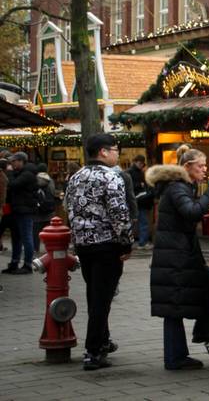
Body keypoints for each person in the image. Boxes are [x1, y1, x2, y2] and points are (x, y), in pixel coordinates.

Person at [148, 148, 209, 370]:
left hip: (178, 254)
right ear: (187, 167)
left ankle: (202, 332)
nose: (204, 170)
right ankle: (176, 357)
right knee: (174, 306)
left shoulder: (179, 187)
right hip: (175, 256)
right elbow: (191, 212)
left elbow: (188, 212)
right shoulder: (178, 187)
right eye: (200, 166)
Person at [64, 134, 134, 370]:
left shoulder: (76, 177)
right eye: (115, 149)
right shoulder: (111, 177)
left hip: (84, 244)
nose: (118, 153)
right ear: (103, 152)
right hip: (107, 245)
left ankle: (102, 340)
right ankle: (93, 351)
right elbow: (119, 213)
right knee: (102, 299)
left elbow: (69, 209)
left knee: (94, 294)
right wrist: (126, 243)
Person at [3, 152, 39, 274]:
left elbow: (13, 185)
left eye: (14, 161)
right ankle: (14, 262)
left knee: (26, 237)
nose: (11, 164)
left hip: (25, 210)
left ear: (21, 161)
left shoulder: (27, 174)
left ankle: (28, 265)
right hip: (17, 210)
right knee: (16, 238)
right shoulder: (19, 173)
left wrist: (9, 173)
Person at [125, 155, 153, 248]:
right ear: (135, 162)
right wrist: (140, 185)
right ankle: (142, 243)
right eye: (140, 163)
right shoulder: (131, 172)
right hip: (138, 200)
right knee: (142, 222)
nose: (141, 165)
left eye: (142, 163)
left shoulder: (135, 172)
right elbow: (129, 187)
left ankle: (130, 242)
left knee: (133, 223)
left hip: (137, 200)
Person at [34, 162, 60, 251]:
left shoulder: (34, 179)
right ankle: (50, 248)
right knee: (49, 231)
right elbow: (53, 192)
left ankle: (35, 248)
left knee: (35, 232)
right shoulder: (50, 180)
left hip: (38, 212)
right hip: (49, 212)